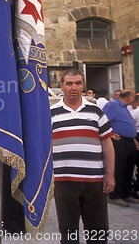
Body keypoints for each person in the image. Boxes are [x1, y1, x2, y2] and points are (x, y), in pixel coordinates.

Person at [50, 69, 115, 243]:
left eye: (78, 83)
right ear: (61, 86)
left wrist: (110, 174)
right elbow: (45, 147)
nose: (74, 87)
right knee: (68, 232)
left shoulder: (96, 111)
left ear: (83, 86)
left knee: (98, 232)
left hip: (95, 182)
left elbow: (107, 143)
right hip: (64, 182)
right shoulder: (51, 113)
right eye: (69, 83)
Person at [103, 89, 139, 207]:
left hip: (129, 141)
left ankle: (126, 193)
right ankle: (115, 195)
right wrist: (111, 133)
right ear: (128, 97)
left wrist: (133, 139)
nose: (134, 98)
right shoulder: (112, 105)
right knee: (119, 167)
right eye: (133, 96)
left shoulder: (125, 108)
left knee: (128, 168)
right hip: (119, 141)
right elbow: (103, 120)